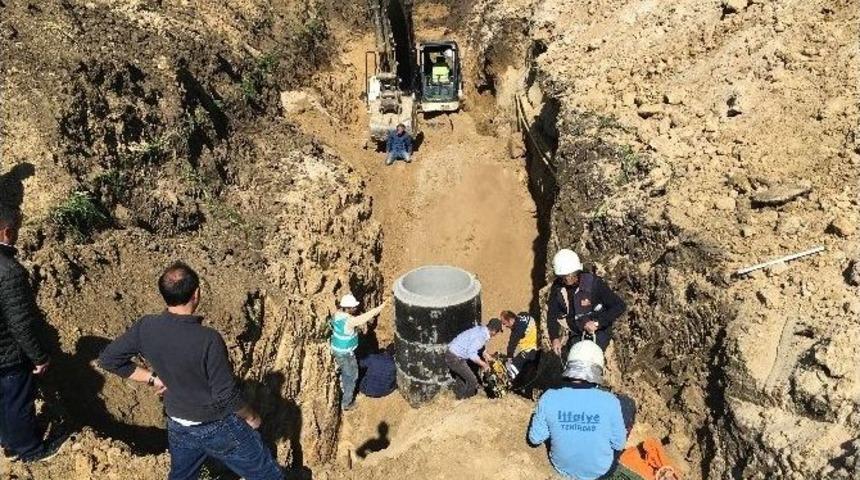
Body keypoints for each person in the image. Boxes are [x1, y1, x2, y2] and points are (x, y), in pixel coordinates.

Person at [98, 262, 282, 480]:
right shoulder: (208, 339)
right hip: (216, 425)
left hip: (178, 424)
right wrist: (252, 417)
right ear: (197, 293)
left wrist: (152, 378)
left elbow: (109, 359)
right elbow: (226, 395)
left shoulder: (146, 327)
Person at [0, 204, 67, 462]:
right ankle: (30, 450)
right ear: (7, 232)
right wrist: (38, 356)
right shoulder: (9, 272)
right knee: (17, 400)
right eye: (16, 230)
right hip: (7, 353)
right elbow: (20, 323)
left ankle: (8, 441)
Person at [528, 340, 635, 480]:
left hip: (560, 467)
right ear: (598, 369)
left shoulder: (549, 397)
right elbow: (618, 444)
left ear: (569, 366)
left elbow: (535, 439)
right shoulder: (610, 401)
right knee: (627, 404)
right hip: (600, 473)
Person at [547, 249, 626, 353]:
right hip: (576, 334)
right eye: (561, 277)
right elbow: (552, 314)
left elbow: (619, 306)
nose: (564, 280)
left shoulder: (594, 284)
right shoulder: (558, 288)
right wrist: (555, 338)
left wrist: (597, 323)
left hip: (598, 332)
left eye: (567, 276)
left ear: (575, 272)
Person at [330, 293, 388, 411]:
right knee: (352, 376)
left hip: (337, 349)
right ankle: (347, 403)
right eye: (354, 307)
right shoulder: (350, 321)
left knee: (348, 372)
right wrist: (382, 306)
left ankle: (343, 378)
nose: (356, 308)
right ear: (348, 308)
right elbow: (365, 317)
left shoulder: (337, 315)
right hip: (345, 353)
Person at [445, 319, 503, 399]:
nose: (496, 334)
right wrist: (484, 365)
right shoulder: (481, 336)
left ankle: (459, 398)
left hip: (453, 354)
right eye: (497, 332)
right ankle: (466, 401)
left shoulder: (481, 330)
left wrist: (486, 354)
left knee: (462, 379)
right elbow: (472, 354)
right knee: (473, 381)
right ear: (494, 331)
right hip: (455, 357)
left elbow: (477, 345)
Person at [499, 310, 538, 382]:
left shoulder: (518, 329)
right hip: (537, 341)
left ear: (510, 320)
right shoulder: (522, 314)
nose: (505, 326)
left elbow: (512, 344)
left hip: (532, 349)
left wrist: (509, 358)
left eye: (505, 323)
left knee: (514, 367)